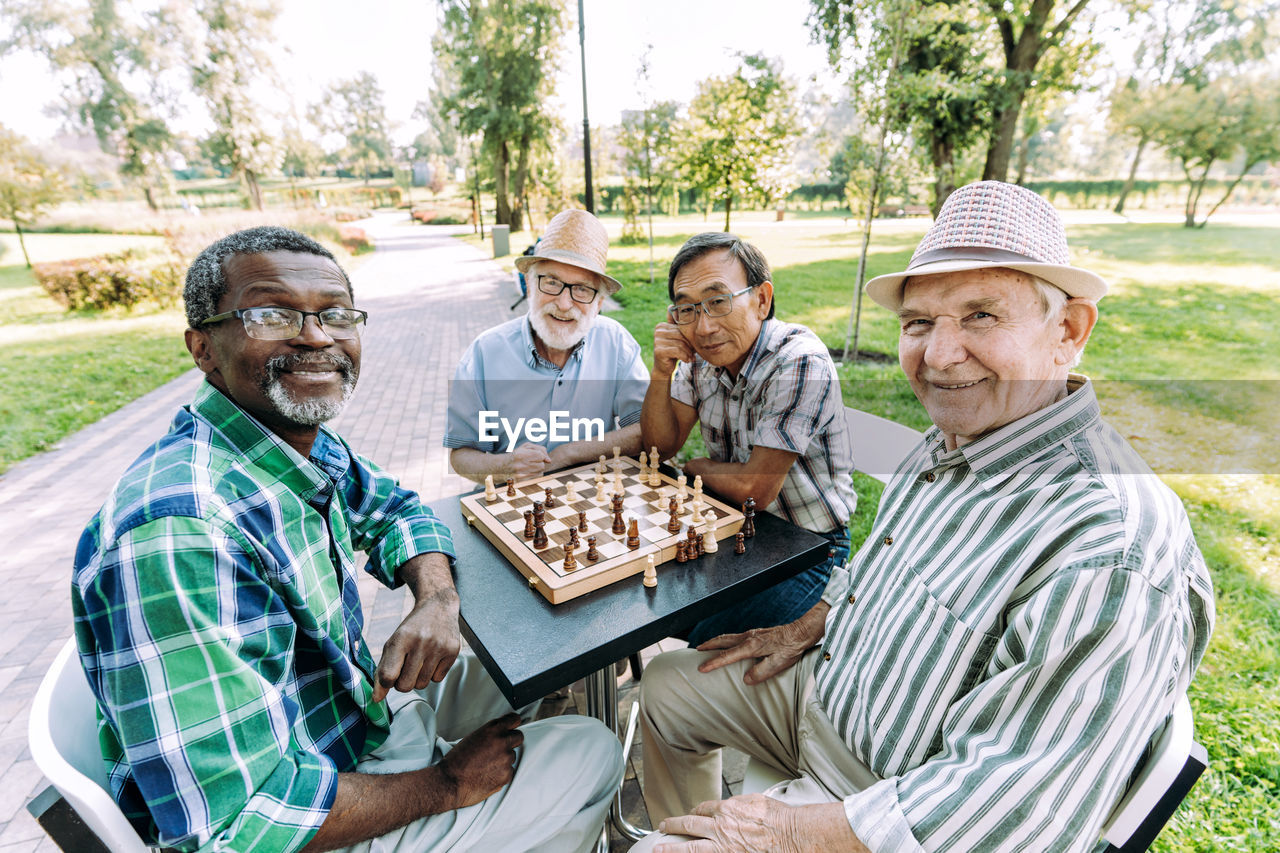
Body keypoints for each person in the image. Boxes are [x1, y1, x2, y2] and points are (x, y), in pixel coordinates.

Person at [632, 182, 1215, 853]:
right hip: (829, 696)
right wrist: (800, 629)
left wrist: (786, 830)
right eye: (918, 323)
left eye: (981, 316)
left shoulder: (1111, 544)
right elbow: (876, 568)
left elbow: (1010, 808)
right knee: (670, 685)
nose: (939, 355)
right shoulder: (948, 445)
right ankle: (693, 822)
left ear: (1069, 332)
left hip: (889, 795)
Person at [72, 226, 623, 853]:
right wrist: (444, 784)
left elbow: (397, 510)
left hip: (344, 721)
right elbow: (242, 824)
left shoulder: (282, 443)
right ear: (203, 347)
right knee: (591, 749)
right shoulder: (180, 534)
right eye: (272, 314)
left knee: (521, 666)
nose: (315, 336)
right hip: (309, 815)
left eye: (335, 314)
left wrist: (436, 601)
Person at [640, 232, 857, 646]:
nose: (703, 326)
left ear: (762, 299)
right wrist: (660, 373)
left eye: (718, 301)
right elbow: (659, 448)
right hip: (738, 533)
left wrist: (698, 468)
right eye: (687, 309)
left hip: (811, 550)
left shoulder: (798, 360)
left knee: (700, 642)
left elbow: (755, 486)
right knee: (644, 601)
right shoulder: (700, 361)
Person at [446, 208, 648, 484]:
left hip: (593, 505)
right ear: (529, 286)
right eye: (551, 282)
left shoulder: (617, 344)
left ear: (599, 303)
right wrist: (506, 466)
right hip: (513, 506)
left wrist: (568, 453)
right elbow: (461, 455)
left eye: (582, 289)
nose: (564, 304)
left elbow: (643, 430)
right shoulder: (484, 353)